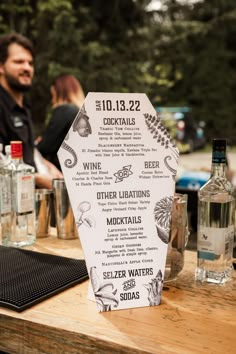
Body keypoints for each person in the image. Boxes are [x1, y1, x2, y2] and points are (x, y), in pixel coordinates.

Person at [0, 32, 62, 188]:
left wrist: (47, 165)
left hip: (28, 201)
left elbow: (28, 150)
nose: (27, 68)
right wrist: (40, 179)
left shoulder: (24, 106)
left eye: (30, 63)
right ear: (1, 67)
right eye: (19, 62)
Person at [36, 74, 85, 171]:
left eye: (52, 95)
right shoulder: (82, 112)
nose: (52, 100)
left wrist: (38, 143)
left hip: (62, 171)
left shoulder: (64, 110)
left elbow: (46, 147)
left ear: (57, 92)